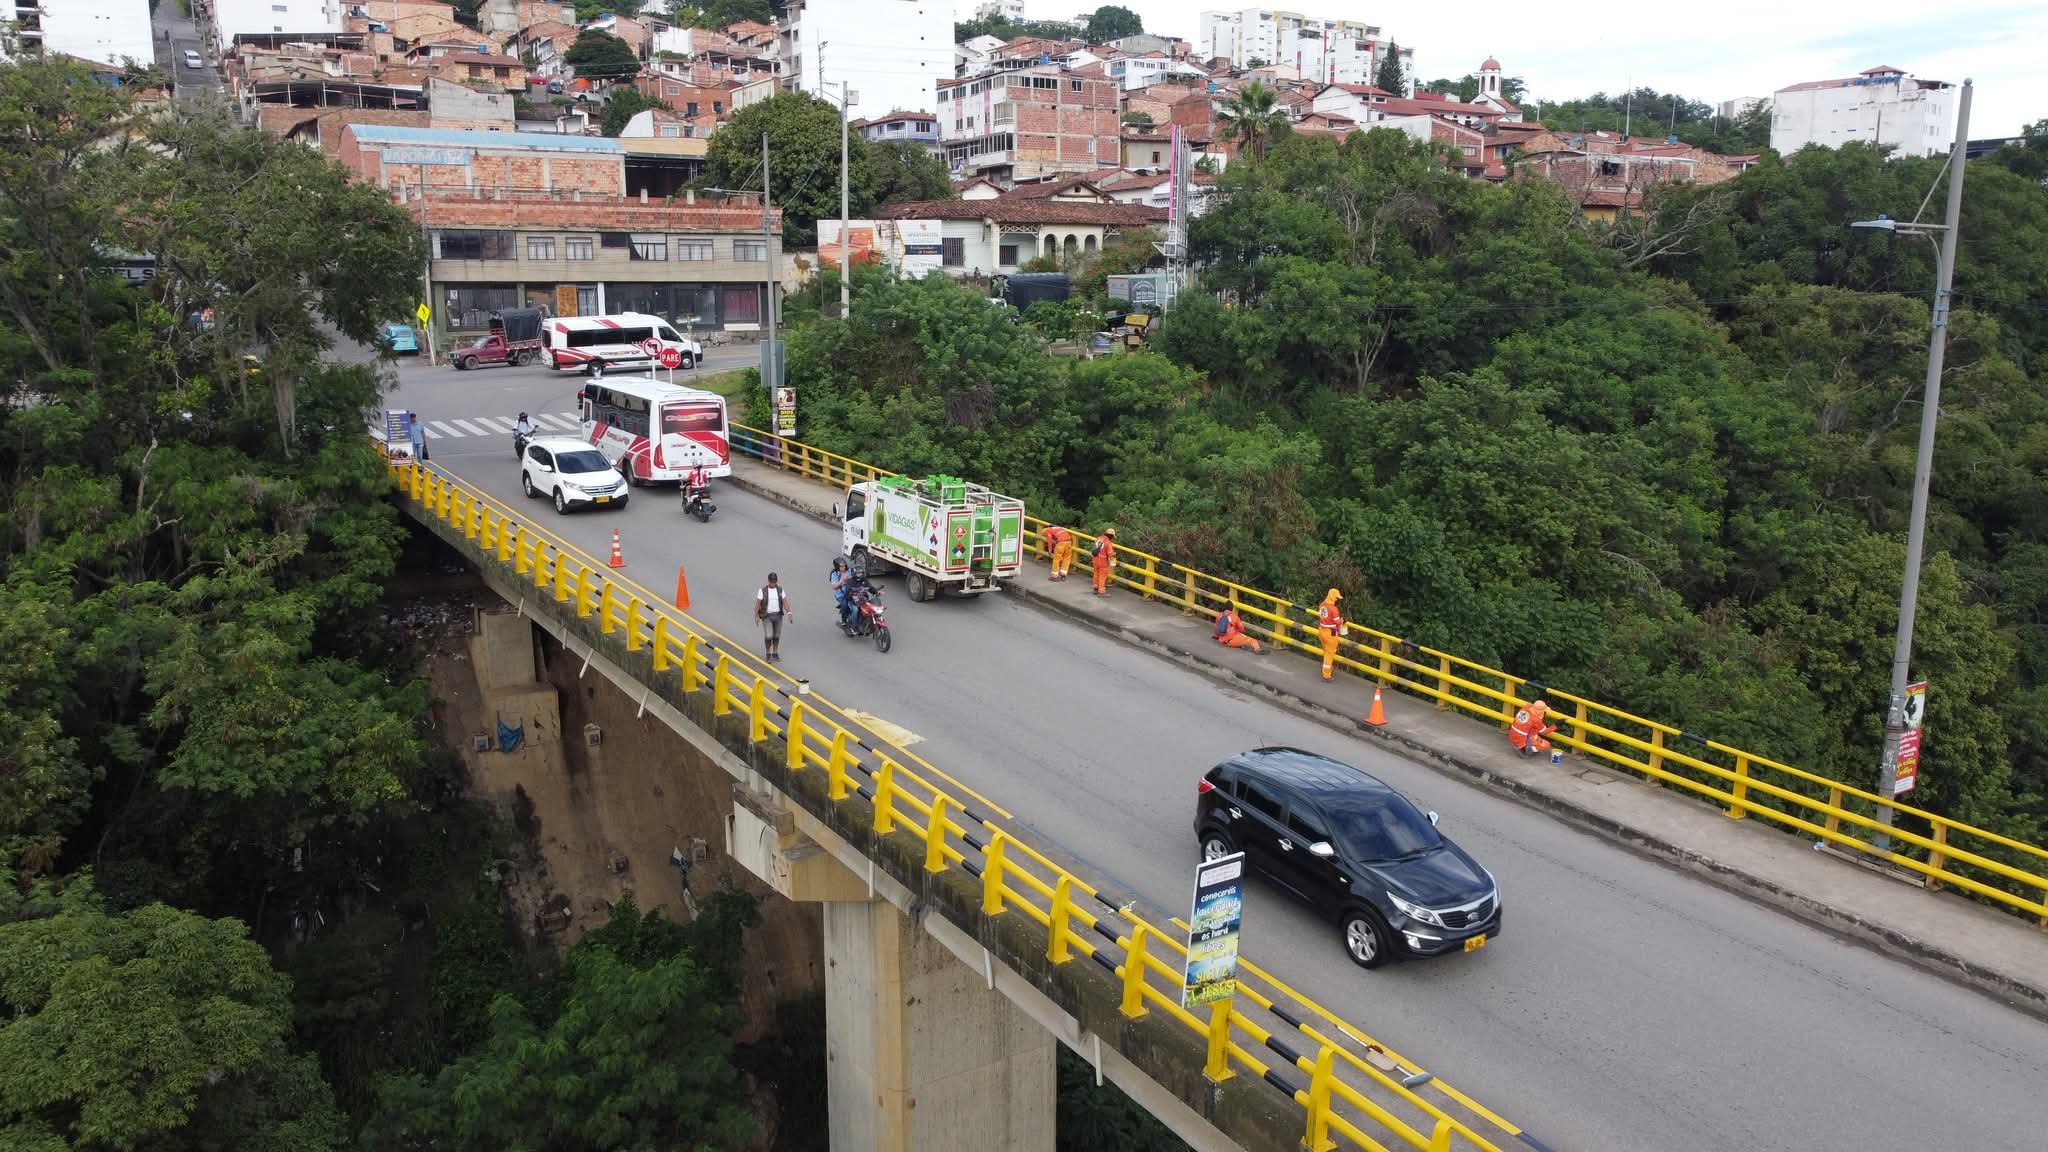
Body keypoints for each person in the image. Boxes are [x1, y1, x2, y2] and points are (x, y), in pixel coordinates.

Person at [755, 572, 791, 662]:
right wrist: (756, 616)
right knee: (769, 635)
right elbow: (757, 604)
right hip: (766, 616)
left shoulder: (780, 590)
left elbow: (785, 602)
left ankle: (774, 653)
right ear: (768, 581)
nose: (773, 583)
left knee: (776, 635)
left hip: (778, 615)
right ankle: (768, 653)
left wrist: (789, 612)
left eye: (774, 581)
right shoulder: (762, 590)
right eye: (771, 581)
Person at [1316, 588, 1346, 681]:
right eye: (1337, 598)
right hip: (1331, 633)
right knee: (1330, 653)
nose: (1338, 600)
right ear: (1333, 597)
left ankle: (1328, 668)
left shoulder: (1322, 605)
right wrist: (1343, 621)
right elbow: (1337, 622)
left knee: (1326, 651)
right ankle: (1326, 674)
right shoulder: (1334, 609)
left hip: (1322, 630)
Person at [1090, 528, 1117, 596]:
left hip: (1095, 560)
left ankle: (1095, 588)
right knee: (1102, 576)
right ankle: (1101, 592)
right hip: (1103, 562)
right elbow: (1110, 554)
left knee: (1096, 574)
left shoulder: (1098, 538)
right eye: (1112, 537)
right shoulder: (1108, 543)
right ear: (1110, 536)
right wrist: (1114, 556)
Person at [829, 557, 852, 628]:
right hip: (841, 595)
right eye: (841, 566)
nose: (843, 568)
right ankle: (844, 621)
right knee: (845, 605)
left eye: (844, 566)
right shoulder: (835, 574)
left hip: (852, 592)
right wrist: (841, 581)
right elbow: (834, 587)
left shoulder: (849, 571)